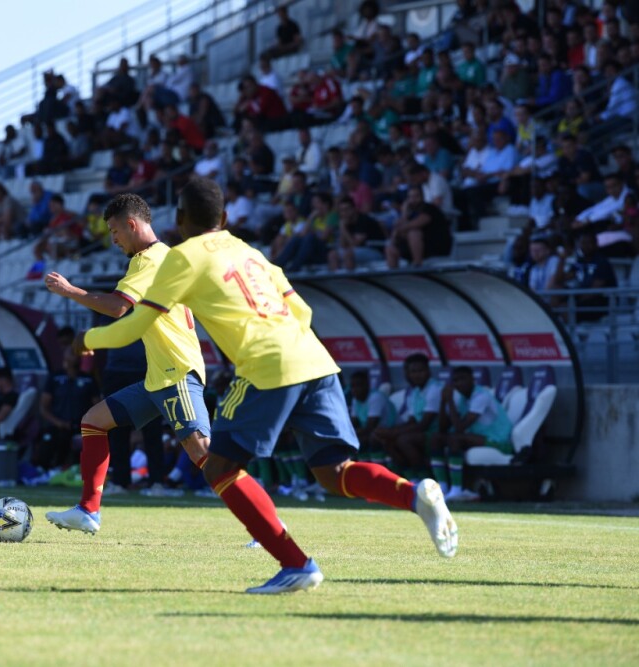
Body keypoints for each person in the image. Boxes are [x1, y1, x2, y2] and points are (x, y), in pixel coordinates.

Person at [74, 178, 458, 593]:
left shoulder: (180, 258)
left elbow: (135, 324)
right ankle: (414, 494)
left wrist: (87, 340)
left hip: (266, 365)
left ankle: (296, 564)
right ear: (223, 218)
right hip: (315, 360)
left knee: (219, 467)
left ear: (180, 219)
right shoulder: (249, 251)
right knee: (333, 473)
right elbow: (302, 309)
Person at [43, 193, 212, 533]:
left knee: (203, 452)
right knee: (94, 421)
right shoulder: (164, 255)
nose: (113, 239)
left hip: (176, 372)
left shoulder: (147, 260)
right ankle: (88, 510)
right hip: (158, 376)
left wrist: (70, 290)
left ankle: (266, 523)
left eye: (114, 231)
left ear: (131, 225)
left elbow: (118, 307)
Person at [431, 366, 513, 502]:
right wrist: (443, 401)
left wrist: (450, 400)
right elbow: (442, 428)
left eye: (463, 379)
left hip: (499, 441)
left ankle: (457, 490)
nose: (459, 383)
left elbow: (459, 428)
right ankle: (443, 489)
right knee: (436, 439)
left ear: (472, 380)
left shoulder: (481, 396)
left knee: (455, 440)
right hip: (478, 438)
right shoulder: (463, 399)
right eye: (455, 381)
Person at [371, 353, 444, 481]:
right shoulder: (414, 392)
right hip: (423, 432)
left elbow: (424, 424)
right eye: (413, 371)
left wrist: (393, 432)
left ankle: (425, 478)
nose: (417, 375)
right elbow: (412, 420)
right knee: (386, 439)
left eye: (420, 370)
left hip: (438, 432)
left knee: (403, 440)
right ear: (408, 374)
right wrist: (390, 432)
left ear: (428, 371)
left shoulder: (435, 389)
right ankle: (411, 478)